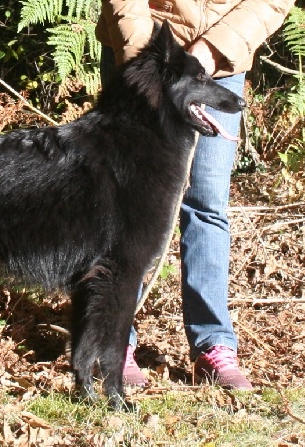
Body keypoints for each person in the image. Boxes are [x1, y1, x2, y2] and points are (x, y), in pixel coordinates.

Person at [95, 0, 295, 389]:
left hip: (221, 60)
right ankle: (112, 342)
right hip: (145, 53)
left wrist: (211, 51)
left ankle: (213, 345)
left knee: (207, 202)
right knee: (126, 204)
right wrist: (146, 59)